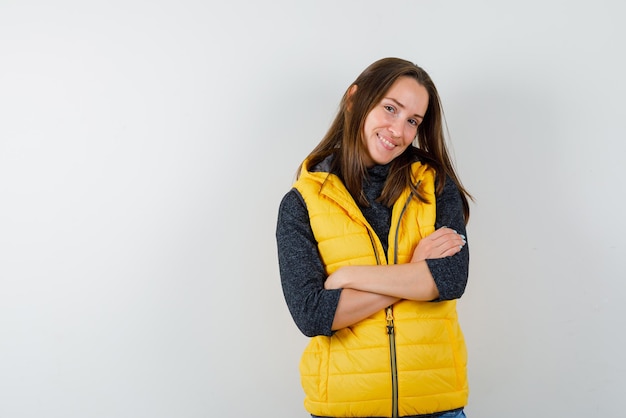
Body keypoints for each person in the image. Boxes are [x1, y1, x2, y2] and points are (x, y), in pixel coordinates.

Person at [276, 57, 472, 418]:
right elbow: (312, 313)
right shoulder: (301, 203)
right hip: (343, 407)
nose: (398, 129)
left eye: (412, 120)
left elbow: (449, 278)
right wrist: (413, 273)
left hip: (437, 406)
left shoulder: (434, 185)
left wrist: (349, 278)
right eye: (390, 109)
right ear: (354, 100)